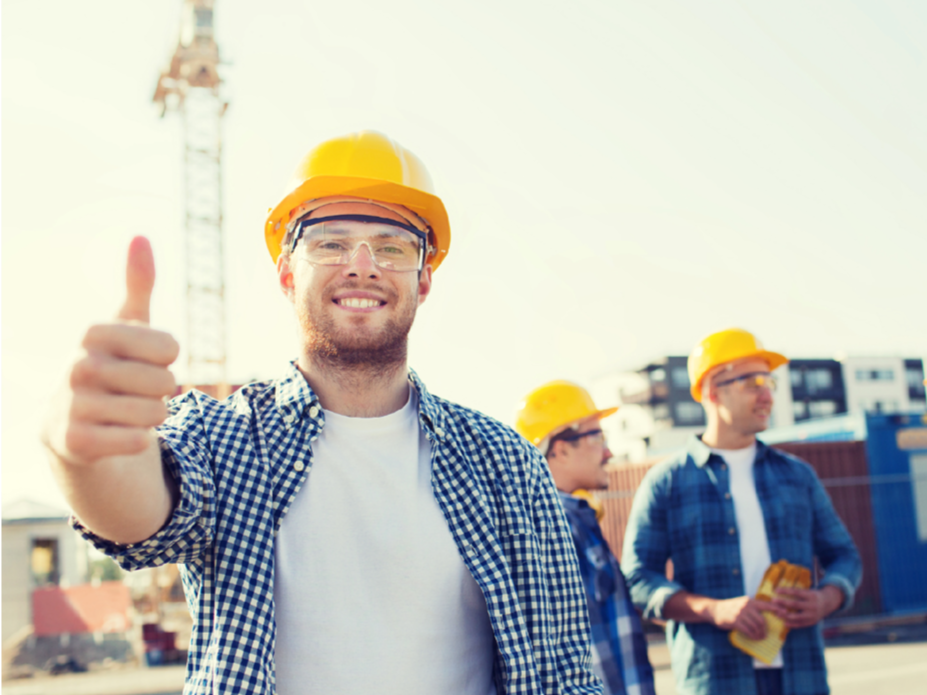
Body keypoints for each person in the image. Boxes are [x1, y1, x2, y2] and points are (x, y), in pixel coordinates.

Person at [43, 131, 603, 695]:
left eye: (392, 247)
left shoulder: (504, 463)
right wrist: (80, 453)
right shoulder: (225, 437)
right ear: (288, 274)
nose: (362, 267)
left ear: (423, 280)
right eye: (331, 243)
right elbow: (139, 517)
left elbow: (565, 675)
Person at [621, 328, 862, 695]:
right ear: (712, 392)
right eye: (753, 382)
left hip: (801, 674)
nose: (767, 395)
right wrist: (712, 610)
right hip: (715, 679)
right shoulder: (665, 482)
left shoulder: (797, 475)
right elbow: (638, 579)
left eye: (769, 382)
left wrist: (826, 598)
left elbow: (844, 556)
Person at [515, 381, 656, 695]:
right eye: (598, 437)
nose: (609, 452)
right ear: (561, 449)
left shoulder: (574, 519)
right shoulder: (552, 529)